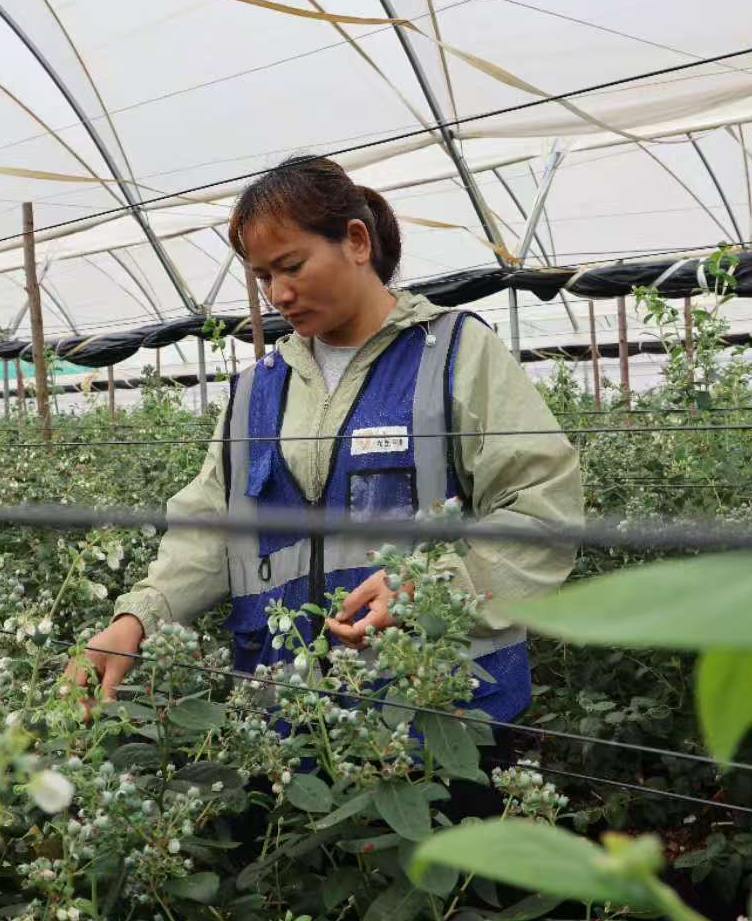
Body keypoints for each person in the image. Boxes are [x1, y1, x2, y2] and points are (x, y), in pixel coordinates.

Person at [66, 154, 583, 737]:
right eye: (263, 277)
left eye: (291, 266)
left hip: (438, 725)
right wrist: (140, 616)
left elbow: (543, 510)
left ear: (356, 242)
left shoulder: (455, 355)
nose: (278, 294)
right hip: (286, 726)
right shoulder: (257, 389)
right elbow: (212, 528)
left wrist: (430, 586)